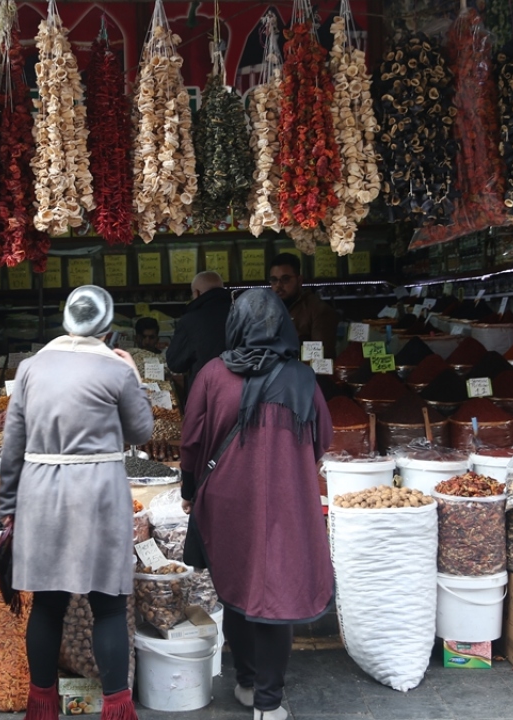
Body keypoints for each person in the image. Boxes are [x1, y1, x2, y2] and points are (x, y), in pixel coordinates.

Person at [0, 285, 154, 720]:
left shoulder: (30, 367)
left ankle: (42, 707)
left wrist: (7, 505)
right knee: (108, 605)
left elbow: (12, 444)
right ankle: (117, 709)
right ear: (107, 329)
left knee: (48, 603)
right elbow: (141, 431)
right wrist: (136, 379)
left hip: (41, 492)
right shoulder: (116, 370)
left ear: (65, 322)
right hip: (100, 492)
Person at [178, 289, 334, 720]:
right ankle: (268, 703)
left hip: (227, 502)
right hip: (287, 504)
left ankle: (247, 684)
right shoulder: (302, 377)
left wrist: (189, 491)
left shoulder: (212, 374)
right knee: (276, 595)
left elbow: (191, 442)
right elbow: (322, 439)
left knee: (237, 588)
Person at [166, 271, 232, 401]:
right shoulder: (242, 313)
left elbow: (175, 363)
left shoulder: (190, 321)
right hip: (241, 393)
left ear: (196, 293)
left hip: (205, 395)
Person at [268, 253, 339, 361]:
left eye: (285, 279)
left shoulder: (318, 310)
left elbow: (323, 358)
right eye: (274, 280)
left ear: (299, 280)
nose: (278, 285)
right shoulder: (266, 310)